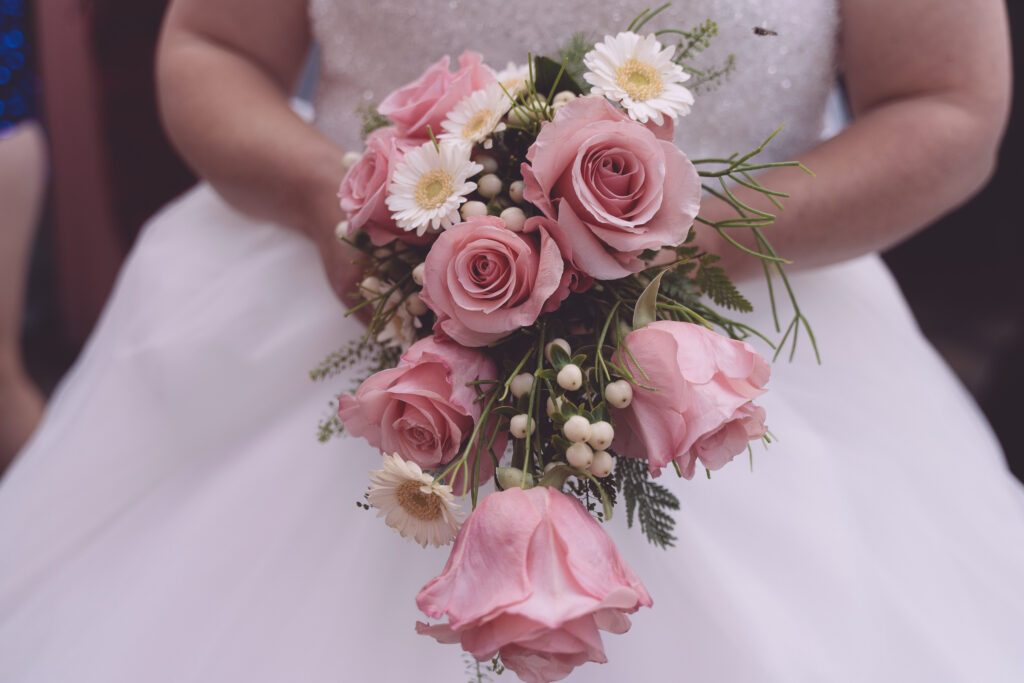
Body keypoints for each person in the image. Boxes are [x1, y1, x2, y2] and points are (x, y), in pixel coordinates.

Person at [1, 0, 1021, 681]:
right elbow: (213, 47)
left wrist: (676, 243)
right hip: (342, 299)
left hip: (740, 331)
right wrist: (325, 194)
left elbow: (947, 105)